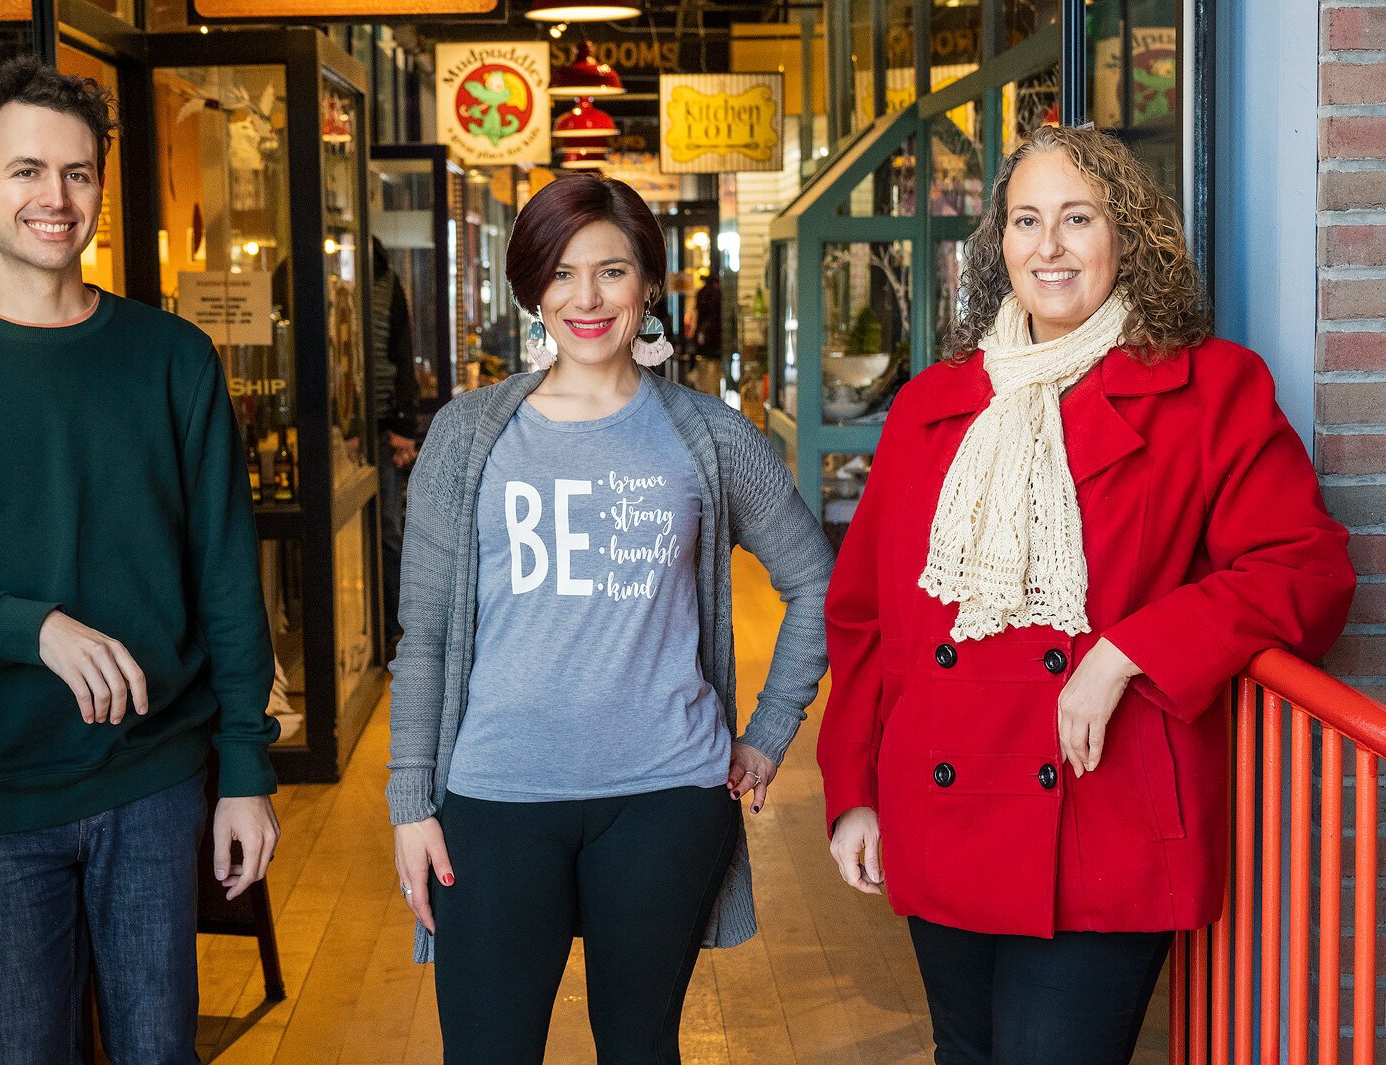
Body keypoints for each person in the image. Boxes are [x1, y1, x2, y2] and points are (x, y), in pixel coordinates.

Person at [817, 125, 1355, 1065]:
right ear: (1000, 244)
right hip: (940, 805)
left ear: (1129, 238)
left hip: (1101, 809)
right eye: (1026, 220)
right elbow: (865, 616)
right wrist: (853, 789)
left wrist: (1126, 650)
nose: (1049, 246)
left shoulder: (1211, 389)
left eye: (1078, 218)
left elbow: (1303, 569)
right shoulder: (933, 403)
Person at [0, 56, 280, 1062]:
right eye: (27, 170)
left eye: (77, 173)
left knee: (160, 1050)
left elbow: (224, 576)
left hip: (155, 778)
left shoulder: (172, 360)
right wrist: (28, 625)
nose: (55, 197)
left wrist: (245, 772)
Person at [387, 174, 835, 1065]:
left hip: (665, 798)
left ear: (649, 286)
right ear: (532, 289)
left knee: (639, 1047)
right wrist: (409, 799)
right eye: (561, 273)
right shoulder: (469, 434)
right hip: (496, 796)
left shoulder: (709, 436)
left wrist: (772, 728)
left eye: (612, 272)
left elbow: (819, 583)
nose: (585, 299)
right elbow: (426, 633)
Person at [371, 236, 422, 641]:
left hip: (381, 423)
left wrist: (404, 426)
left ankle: (395, 628)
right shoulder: (295, 270)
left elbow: (402, 352)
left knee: (389, 529)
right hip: (320, 422)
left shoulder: (384, 279)